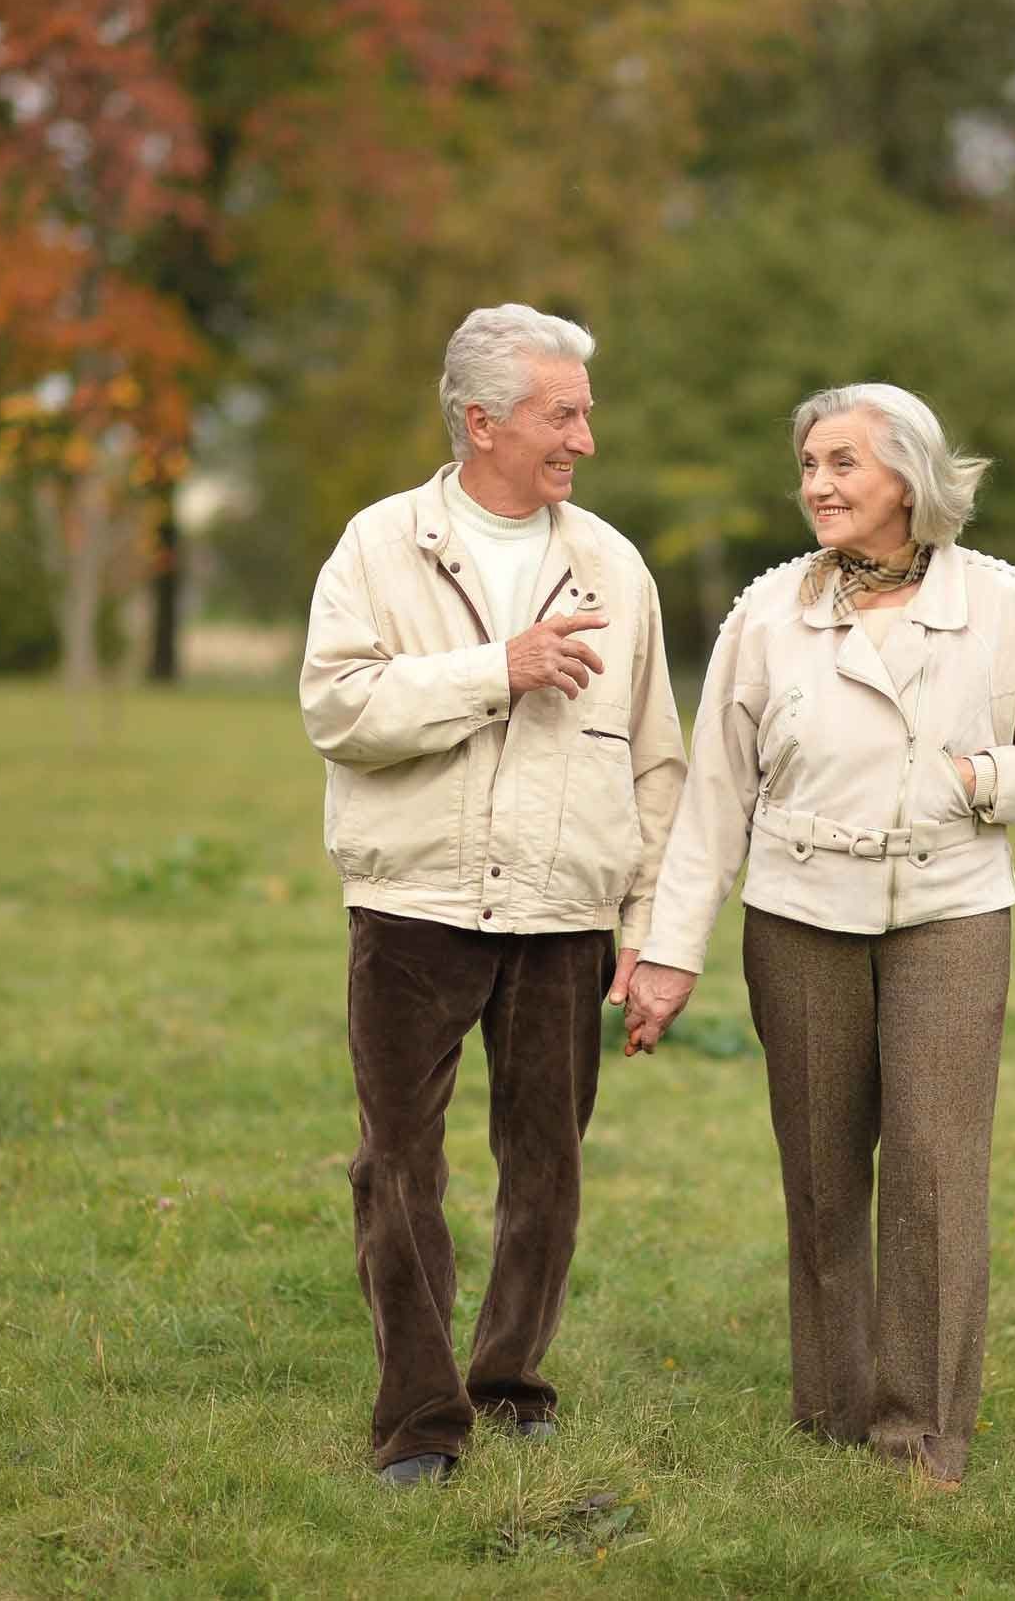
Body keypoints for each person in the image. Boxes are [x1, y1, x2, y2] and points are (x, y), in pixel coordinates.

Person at [621, 383, 1015, 1490]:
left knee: (935, 1171)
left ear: (908, 477)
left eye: (841, 463)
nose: (817, 487)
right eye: (807, 465)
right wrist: (667, 950)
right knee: (823, 1170)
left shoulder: (1002, 605)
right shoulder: (765, 616)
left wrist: (984, 778)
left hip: (952, 912)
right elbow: (712, 798)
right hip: (796, 917)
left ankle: (920, 1431)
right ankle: (833, 1408)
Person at [300, 304, 686, 1487]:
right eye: (561, 412)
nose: (585, 437)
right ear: (481, 420)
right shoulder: (378, 545)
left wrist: (652, 933)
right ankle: (420, 1417)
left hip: (566, 916)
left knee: (547, 1164)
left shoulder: (614, 563)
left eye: (582, 410)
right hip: (414, 906)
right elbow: (338, 710)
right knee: (396, 1166)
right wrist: (494, 670)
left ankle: (511, 1381)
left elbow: (656, 761)